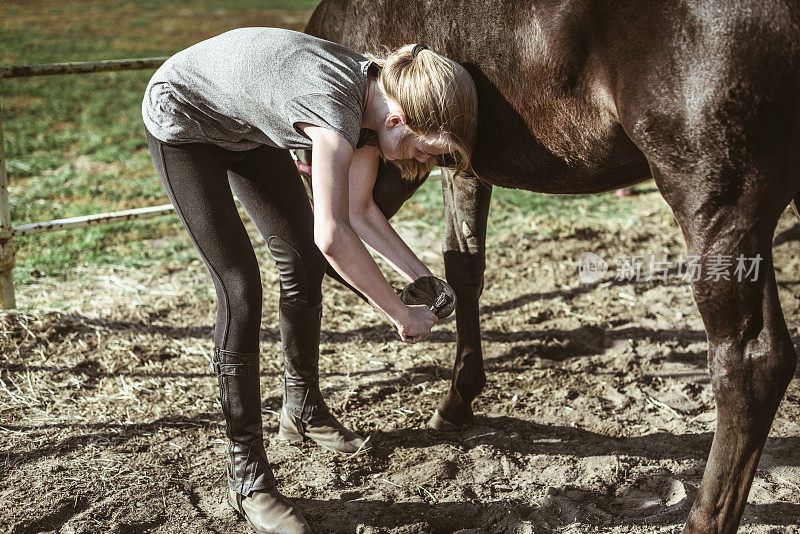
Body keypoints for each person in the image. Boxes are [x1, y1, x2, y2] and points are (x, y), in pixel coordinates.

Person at [142, 27, 477, 533]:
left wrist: (424, 280)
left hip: (243, 127)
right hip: (184, 121)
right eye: (423, 150)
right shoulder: (336, 114)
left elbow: (361, 212)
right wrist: (399, 314)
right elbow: (334, 234)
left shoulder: (374, 105)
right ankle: (248, 478)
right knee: (239, 287)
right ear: (399, 118)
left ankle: (301, 411)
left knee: (296, 259)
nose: (420, 162)